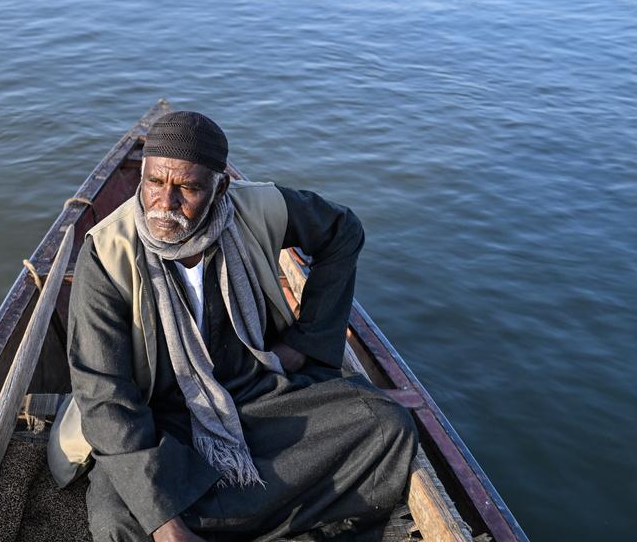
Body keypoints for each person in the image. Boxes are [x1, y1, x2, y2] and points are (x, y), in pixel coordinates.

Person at [53, 111, 417, 542]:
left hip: (253, 391)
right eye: (154, 183)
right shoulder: (106, 253)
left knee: (384, 425)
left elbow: (342, 231)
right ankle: (276, 516)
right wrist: (167, 527)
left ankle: (234, 516)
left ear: (220, 187)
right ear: (143, 177)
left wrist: (304, 342)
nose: (165, 204)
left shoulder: (255, 208)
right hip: (160, 416)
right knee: (122, 518)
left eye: (186, 188)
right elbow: (105, 396)